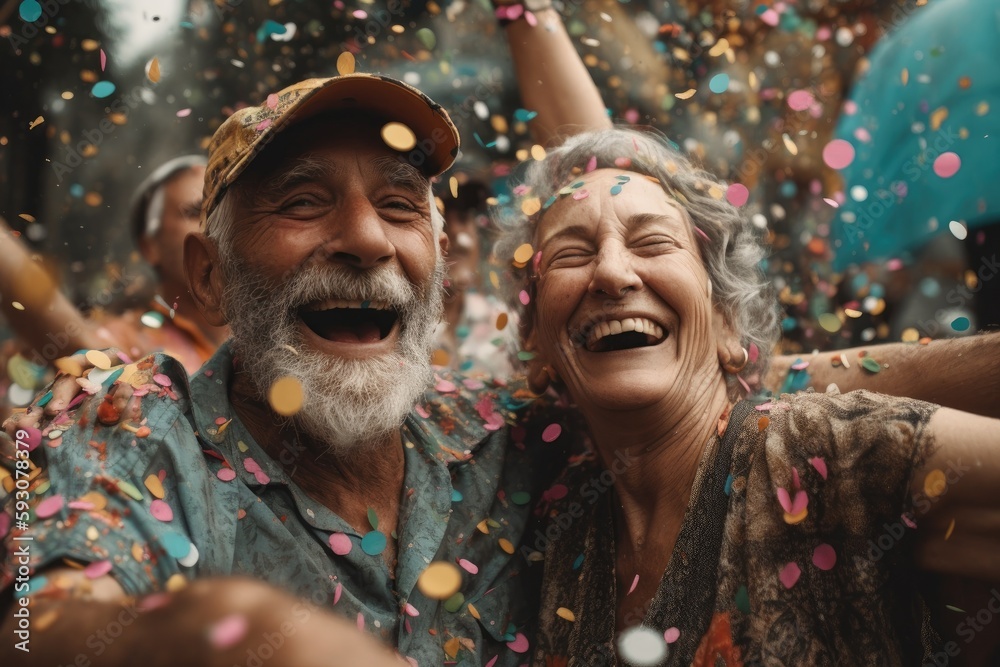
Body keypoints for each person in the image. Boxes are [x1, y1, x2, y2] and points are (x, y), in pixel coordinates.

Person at [0, 73, 566, 667]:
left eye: (398, 207)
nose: (368, 239)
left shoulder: (508, 436)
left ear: (441, 262)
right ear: (210, 278)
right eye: (302, 203)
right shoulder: (126, 428)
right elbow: (36, 628)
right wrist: (217, 633)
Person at [492, 126, 1000, 665]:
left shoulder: (815, 451)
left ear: (728, 321)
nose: (612, 274)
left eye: (653, 243)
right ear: (534, 343)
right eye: (571, 254)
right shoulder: (556, 515)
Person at [0, 156, 228, 391]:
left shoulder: (262, 332)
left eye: (224, 211)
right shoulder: (129, 339)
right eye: (195, 212)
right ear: (150, 247)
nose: (217, 225)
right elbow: (80, 345)